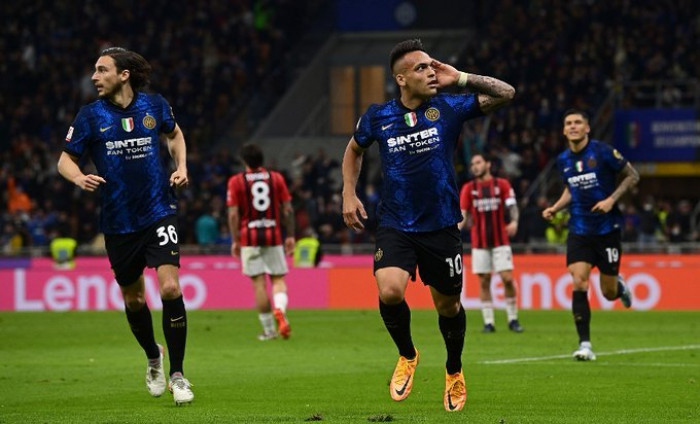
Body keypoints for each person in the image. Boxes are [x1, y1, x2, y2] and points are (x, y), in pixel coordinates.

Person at [342, 39, 514, 412]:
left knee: (448, 307)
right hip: (396, 222)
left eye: (432, 65)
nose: (431, 71)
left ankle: (453, 369)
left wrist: (461, 77)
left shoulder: (448, 107)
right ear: (401, 79)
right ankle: (407, 354)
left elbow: (506, 93)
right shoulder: (378, 116)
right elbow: (354, 149)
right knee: (390, 291)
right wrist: (348, 193)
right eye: (421, 67)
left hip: (441, 225)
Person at [57, 47, 193, 405]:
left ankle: (178, 374)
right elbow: (64, 160)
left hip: (159, 210)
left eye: (102, 70)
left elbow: (175, 135)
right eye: (94, 70)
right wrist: (78, 177)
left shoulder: (154, 106)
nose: (94, 77)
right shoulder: (90, 116)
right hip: (118, 222)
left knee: (170, 288)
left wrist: (181, 166)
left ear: (124, 75)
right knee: (134, 299)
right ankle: (153, 356)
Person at [542, 108, 639, 361]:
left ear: (587, 128)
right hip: (579, 230)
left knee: (608, 293)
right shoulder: (563, 160)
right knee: (579, 281)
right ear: (564, 131)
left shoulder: (603, 152)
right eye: (568, 123)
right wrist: (555, 207)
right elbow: (571, 189)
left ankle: (618, 286)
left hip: (607, 230)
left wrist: (611, 200)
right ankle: (585, 344)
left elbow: (633, 175)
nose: (573, 126)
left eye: (578, 122)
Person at [227, 143, 296, 340]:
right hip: (273, 235)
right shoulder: (276, 178)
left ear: (244, 161)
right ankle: (280, 309)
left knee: (258, 284)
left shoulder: (236, 181)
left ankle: (269, 330)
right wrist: (290, 235)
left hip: (249, 237)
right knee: (278, 279)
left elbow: (233, 214)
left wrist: (235, 240)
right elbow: (288, 209)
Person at [458, 153, 524, 334]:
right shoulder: (468, 188)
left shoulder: (501, 184)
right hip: (479, 243)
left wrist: (514, 222)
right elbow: (463, 213)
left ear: (488, 164)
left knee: (507, 279)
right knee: (484, 280)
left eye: (478, 162)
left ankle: (513, 319)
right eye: (472, 164)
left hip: (500, 240)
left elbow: (512, 206)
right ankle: (489, 322)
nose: (475, 166)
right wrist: (455, 232)